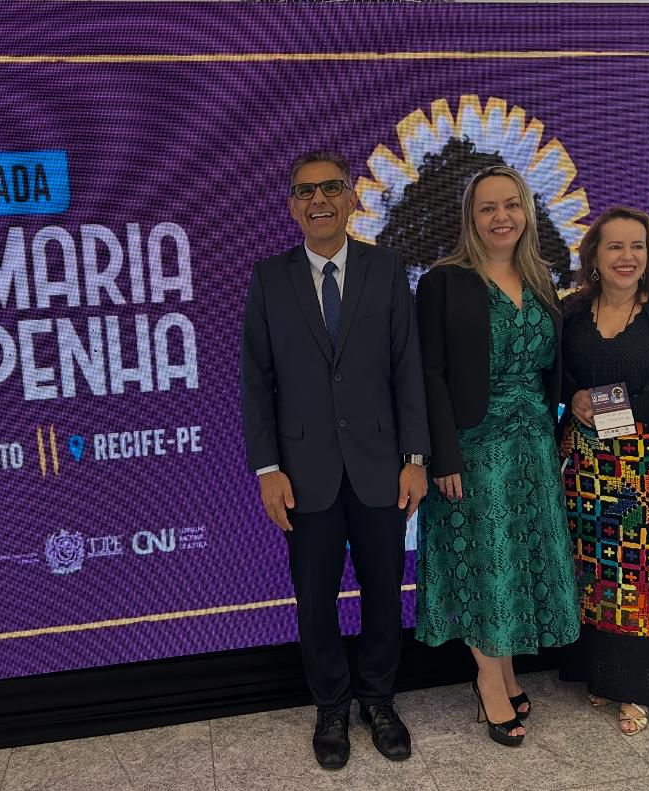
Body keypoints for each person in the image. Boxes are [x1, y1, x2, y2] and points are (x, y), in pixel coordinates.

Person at [239, 150, 430, 769]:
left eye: (330, 188)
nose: (318, 200)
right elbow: (256, 382)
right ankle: (330, 707)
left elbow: (408, 371)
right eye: (304, 192)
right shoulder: (269, 279)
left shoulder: (387, 269)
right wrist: (267, 470)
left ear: (352, 198)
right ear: (291, 206)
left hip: (381, 466)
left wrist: (415, 456)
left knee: (381, 591)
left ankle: (378, 699)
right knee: (315, 597)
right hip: (303, 474)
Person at [414, 165, 579, 747]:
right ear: (470, 217)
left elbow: (549, 368)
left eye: (511, 205)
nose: (501, 217)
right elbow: (429, 375)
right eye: (488, 207)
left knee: (520, 558)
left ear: (527, 212)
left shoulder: (541, 277)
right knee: (488, 564)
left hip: (533, 443)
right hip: (474, 446)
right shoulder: (443, 282)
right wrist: (443, 456)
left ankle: (505, 669)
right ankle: (488, 683)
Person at [558, 206, 649, 734]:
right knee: (595, 574)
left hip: (647, 471)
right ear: (594, 255)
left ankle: (642, 686)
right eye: (615, 246)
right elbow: (552, 375)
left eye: (637, 246)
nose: (627, 257)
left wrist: (615, 403)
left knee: (646, 581)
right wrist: (573, 395)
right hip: (585, 470)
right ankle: (600, 674)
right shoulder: (573, 312)